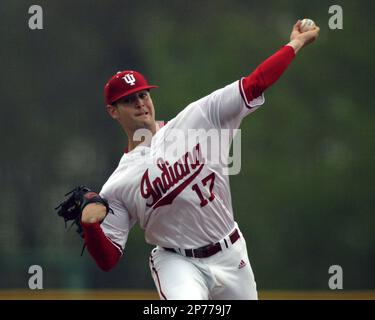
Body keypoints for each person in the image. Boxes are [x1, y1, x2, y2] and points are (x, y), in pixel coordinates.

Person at [80, 20, 319, 300]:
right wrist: (90, 228)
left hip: (230, 252)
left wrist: (295, 44)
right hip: (178, 263)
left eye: (143, 94)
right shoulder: (118, 184)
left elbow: (255, 84)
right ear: (113, 111)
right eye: (129, 100)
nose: (140, 103)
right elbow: (108, 259)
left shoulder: (199, 118)